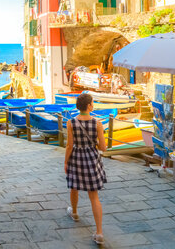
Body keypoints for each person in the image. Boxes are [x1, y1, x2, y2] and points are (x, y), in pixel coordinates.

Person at [65, 93, 107, 245]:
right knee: (94, 196)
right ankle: (99, 232)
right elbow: (103, 147)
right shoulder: (97, 123)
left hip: (76, 157)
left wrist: (65, 162)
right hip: (91, 158)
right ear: (89, 106)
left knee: (74, 186)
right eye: (93, 102)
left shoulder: (71, 123)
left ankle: (74, 213)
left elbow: (69, 145)